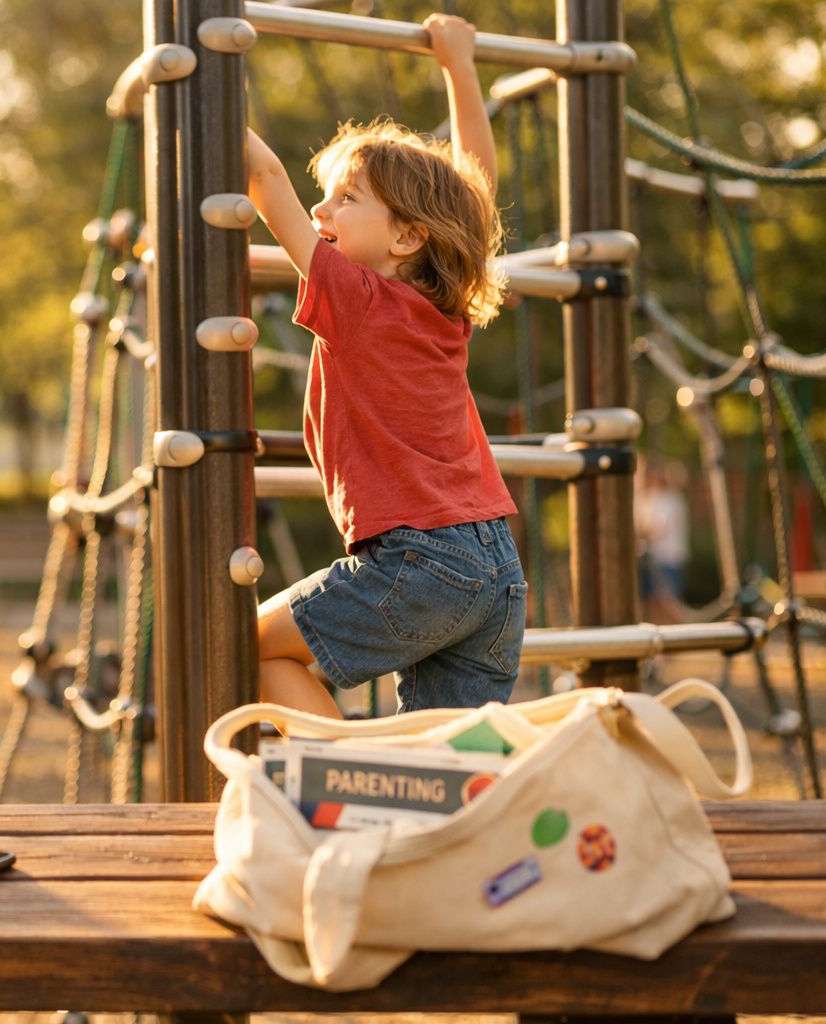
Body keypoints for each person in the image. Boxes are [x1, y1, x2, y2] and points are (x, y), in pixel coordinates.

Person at [247, 14, 525, 719]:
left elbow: (261, 175)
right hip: (495, 568)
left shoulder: (357, 295)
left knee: (246, 646)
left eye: (346, 198)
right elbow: (476, 191)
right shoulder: (446, 307)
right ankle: (415, 813)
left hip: (419, 560)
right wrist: (459, 66)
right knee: (444, 757)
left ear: (407, 235)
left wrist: (199, 58)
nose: (320, 208)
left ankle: (346, 781)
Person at [635, 459, 690, 623]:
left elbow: (656, 529)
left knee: (668, 602)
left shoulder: (670, 500)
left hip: (667, 558)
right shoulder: (647, 498)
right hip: (653, 559)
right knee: (651, 601)